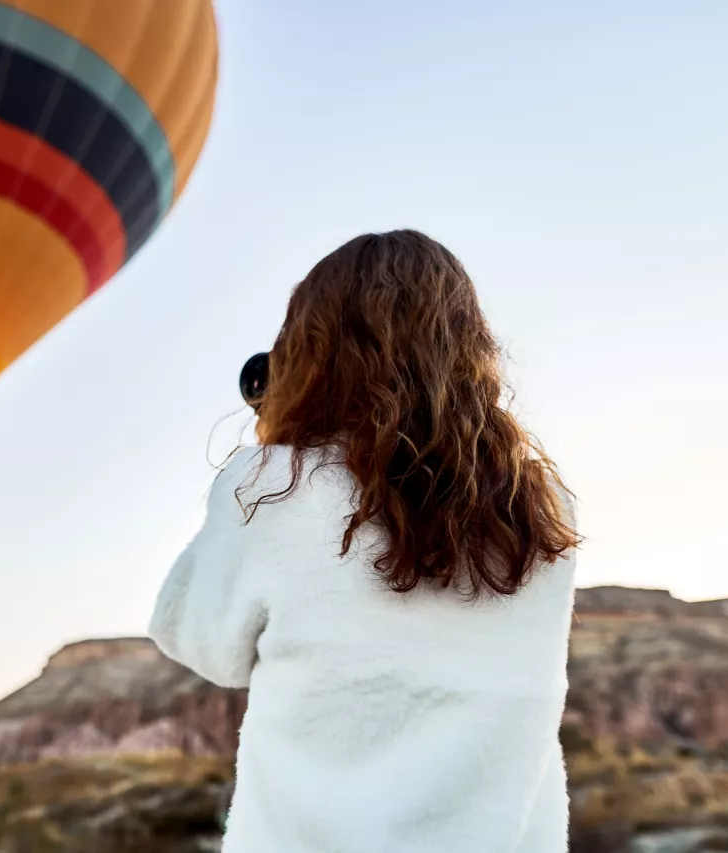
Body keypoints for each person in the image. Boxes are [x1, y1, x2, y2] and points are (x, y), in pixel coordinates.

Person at [148, 229, 581, 852]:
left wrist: (278, 439)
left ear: (308, 352)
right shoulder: (541, 506)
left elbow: (198, 642)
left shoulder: (270, 488)